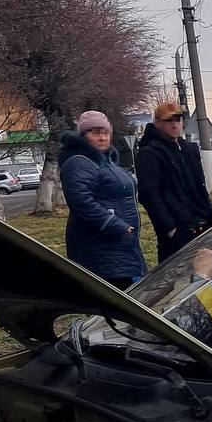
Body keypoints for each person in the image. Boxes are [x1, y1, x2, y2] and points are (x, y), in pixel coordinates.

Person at [59, 110, 147, 290]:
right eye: (95, 132)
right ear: (83, 136)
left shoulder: (108, 162)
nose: (102, 137)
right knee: (118, 298)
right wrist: (112, 223)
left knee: (131, 295)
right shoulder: (79, 162)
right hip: (100, 248)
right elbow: (80, 201)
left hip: (122, 246)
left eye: (105, 132)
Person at [136, 101, 212, 263]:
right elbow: (149, 195)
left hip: (203, 225)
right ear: (157, 123)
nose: (174, 125)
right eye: (168, 120)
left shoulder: (189, 149)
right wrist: (170, 229)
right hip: (178, 233)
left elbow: (199, 186)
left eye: (178, 119)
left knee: (208, 274)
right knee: (180, 277)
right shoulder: (150, 153)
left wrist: (210, 215)